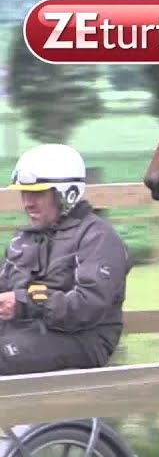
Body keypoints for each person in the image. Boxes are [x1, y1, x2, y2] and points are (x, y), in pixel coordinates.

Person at [0, 144, 132, 375]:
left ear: (67, 194)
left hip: (81, 341)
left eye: (38, 193)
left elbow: (87, 307)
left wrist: (25, 303)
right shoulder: (24, 240)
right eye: (25, 193)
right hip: (26, 334)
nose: (27, 203)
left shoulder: (98, 238)